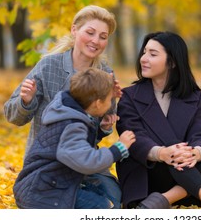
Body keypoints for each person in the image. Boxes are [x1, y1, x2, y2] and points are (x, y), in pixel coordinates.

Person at [4, 5, 123, 207]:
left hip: (85, 161)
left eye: (103, 36)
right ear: (75, 30)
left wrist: (106, 122)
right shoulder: (48, 66)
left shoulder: (105, 73)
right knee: (99, 206)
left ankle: (77, 194)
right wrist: (26, 101)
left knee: (116, 200)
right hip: (48, 166)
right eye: (90, 32)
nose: (96, 41)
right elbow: (13, 116)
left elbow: (95, 127)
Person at [115, 31, 201, 209]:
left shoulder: (194, 96)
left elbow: (200, 132)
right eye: (144, 52)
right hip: (150, 176)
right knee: (174, 148)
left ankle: (165, 199)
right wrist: (162, 153)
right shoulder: (129, 96)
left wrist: (196, 153)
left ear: (172, 62)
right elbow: (132, 137)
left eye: (152, 54)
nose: (143, 58)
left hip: (188, 175)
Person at [13, 68, 136, 209]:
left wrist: (101, 127)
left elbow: (80, 143)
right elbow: (86, 161)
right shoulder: (72, 124)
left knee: (110, 195)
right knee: (101, 206)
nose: (111, 104)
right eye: (109, 100)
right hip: (42, 194)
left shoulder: (67, 109)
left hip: (47, 183)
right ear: (97, 103)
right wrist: (118, 149)